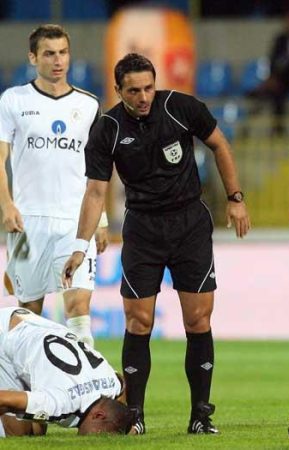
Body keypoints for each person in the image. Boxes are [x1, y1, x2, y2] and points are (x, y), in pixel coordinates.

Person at [62, 53, 251, 435]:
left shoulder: (181, 107)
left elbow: (220, 145)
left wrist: (235, 198)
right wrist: (80, 244)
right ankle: (135, 416)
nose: (144, 96)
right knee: (139, 321)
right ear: (119, 90)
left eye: (149, 87)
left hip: (189, 225)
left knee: (197, 319)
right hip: (143, 229)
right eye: (134, 91)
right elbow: (96, 191)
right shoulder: (108, 128)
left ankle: (200, 415)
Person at [0, 24, 109, 347]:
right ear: (33, 57)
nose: (57, 60)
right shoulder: (13, 101)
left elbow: (98, 170)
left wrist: (99, 219)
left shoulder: (88, 106)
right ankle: (28, 392)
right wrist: (6, 205)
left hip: (75, 224)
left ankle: (83, 392)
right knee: (27, 313)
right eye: (49, 53)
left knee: (78, 310)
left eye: (63, 52)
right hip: (25, 224)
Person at [0, 306, 133, 437]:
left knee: (37, 428)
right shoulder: (60, 403)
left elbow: (121, 383)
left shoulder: (113, 385)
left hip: (32, 323)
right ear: (99, 415)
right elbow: (3, 398)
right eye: (102, 435)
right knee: (19, 433)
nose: (99, 439)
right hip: (6, 334)